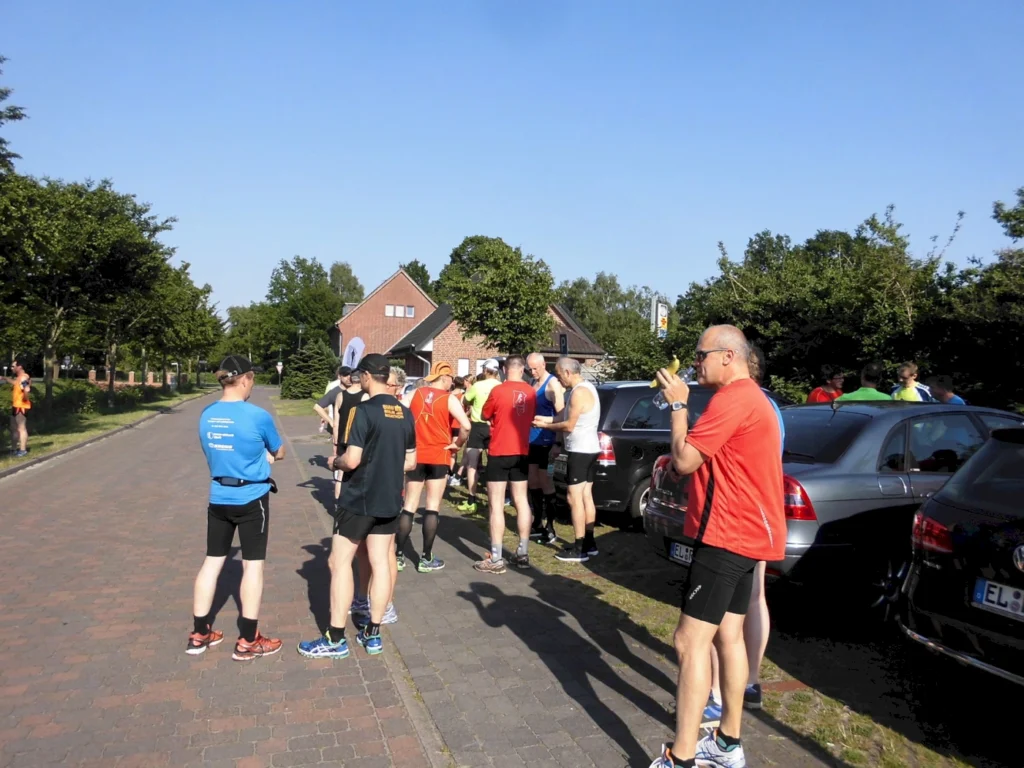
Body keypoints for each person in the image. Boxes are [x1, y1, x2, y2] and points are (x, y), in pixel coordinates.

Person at [648, 325, 784, 768]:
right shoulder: (752, 398)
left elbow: (686, 460)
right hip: (747, 536)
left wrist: (678, 407)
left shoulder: (734, 398)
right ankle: (727, 744)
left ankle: (682, 757)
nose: (695, 362)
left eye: (701, 355)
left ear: (728, 356)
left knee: (689, 642)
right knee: (730, 637)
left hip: (726, 535)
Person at [298, 354, 416, 659]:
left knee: (339, 563)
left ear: (365, 376)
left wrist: (334, 462)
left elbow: (351, 459)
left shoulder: (365, 410)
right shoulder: (404, 413)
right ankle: (373, 633)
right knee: (380, 563)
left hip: (360, 497)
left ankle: (335, 638)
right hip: (390, 499)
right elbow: (411, 461)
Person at [702, 345, 783, 729]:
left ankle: (719, 694)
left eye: (704, 355)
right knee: (754, 599)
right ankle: (749, 682)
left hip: (741, 519)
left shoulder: (742, 401)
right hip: (761, 516)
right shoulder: (771, 407)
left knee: (721, 621)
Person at [191, 355, 284, 661]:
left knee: (212, 562)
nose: (252, 386)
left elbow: (211, 452)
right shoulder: (257, 416)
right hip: (251, 498)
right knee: (252, 565)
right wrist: (265, 459)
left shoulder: (206, 414)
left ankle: (200, 633)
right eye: (252, 380)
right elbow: (278, 451)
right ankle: (247, 640)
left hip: (218, 495)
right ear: (245, 378)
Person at [395, 361, 470, 574]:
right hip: (439, 455)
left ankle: (399, 556)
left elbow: (399, 414)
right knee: (432, 506)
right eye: (450, 379)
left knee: (409, 505)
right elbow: (466, 425)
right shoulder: (448, 398)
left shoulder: (415, 394)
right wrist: (458, 445)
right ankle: (426, 558)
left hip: (415, 455)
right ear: (444, 377)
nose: (451, 383)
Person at [475, 355, 537, 573]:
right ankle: (522, 552)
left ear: (504, 369)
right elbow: (530, 417)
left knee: (496, 503)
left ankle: (497, 557)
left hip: (500, 451)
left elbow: (484, 413)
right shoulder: (530, 392)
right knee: (521, 501)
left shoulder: (498, 390)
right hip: (521, 451)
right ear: (522, 370)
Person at [534, 357, 600, 562]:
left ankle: (579, 547)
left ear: (568, 372)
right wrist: (544, 419)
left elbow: (569, 426)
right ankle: (589, 543)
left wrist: (546, 427)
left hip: (580, 450)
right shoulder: (587, 388)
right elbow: (565, 419)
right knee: (586, 496)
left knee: (574, 498)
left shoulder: (579, 392)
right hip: (589, 449)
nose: (558, 378)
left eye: (559, 374)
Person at [526, 353, 565, 544]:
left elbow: (562, 416)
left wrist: (557, 443)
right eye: (530, 369)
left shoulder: (553, 384)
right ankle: (537, 522)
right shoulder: (533, 384)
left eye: (535, 368)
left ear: (543, 364)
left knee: (546, 482)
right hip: (531, 441)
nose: (533, 372)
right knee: (532, 482)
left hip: (548, 442)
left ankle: (551, 526)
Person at [458, 359, 502, 513]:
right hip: (494, 427)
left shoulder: (477, 386)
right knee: (495, 464)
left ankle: (472, 499)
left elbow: (465, 400)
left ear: (485, 370)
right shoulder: (501, 386)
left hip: (478, 426)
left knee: (472, 465)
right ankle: (497, 499)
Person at [318, 366, 353, 433]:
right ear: (339, 376)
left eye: (350, 375)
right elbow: (318, 407)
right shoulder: (335, 391)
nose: (349, 378)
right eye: (345, 375)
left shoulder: (356, 389)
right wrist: (330, 420)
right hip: (340, 429)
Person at [8, 358, 31, 457]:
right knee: (13, 428)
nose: (11, 368)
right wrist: (4, 378)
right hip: (16, 405)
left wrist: (25, 398)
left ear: (19, 367)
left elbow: (27, 388)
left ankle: (22, 450)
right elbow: (15, 383)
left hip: (21, 406)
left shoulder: (23, 377)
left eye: (13, 366)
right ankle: (13, 449)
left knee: (21, 428)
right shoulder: (19, 377)